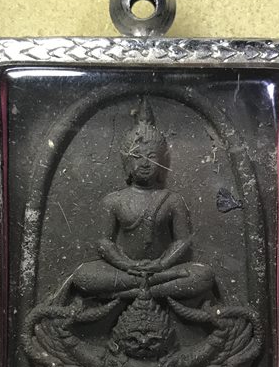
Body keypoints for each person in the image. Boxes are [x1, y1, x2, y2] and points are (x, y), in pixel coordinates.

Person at [72, 97, 214, 301]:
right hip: (125, 271)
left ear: (162, 162)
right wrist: (127, 265)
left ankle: (136, 291)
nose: (145, 163)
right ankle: (147, 288)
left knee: (203, 275)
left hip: (161, 270)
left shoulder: (172, 200)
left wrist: (162, 264)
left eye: (152, 156)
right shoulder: (114, 200)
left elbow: (182, 240)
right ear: (127, 163)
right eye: (137, 156)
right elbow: (104, 242)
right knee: (83, 275)